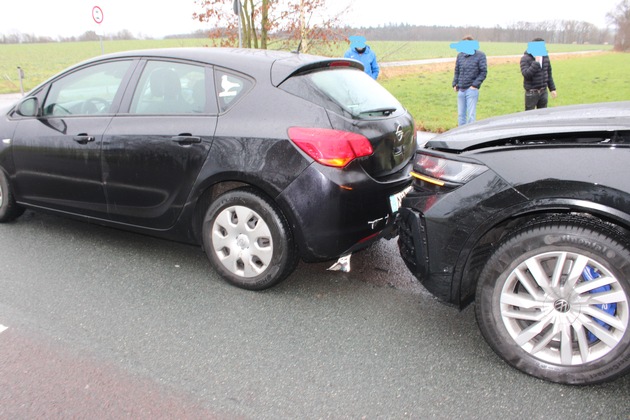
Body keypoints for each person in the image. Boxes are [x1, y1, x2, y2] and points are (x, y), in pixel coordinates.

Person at [451, 36, 487, 126]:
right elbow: (457, 71)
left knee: (471, 115)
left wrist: (474, 85)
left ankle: (471, 135)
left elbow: (483, 72)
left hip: (471, 90)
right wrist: (455, 84)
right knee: (461, 115)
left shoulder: (480, 55)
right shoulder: (460, 56)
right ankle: (460, 134)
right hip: (461, 89)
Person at [520, 38, 557, 110]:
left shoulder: (545, 58)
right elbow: (526, 75)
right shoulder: (525, 59)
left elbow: (548, 74)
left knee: (542, 115)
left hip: (543, 92)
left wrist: (552, 89)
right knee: (529, 116)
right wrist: (536, 63)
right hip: (531, 93)